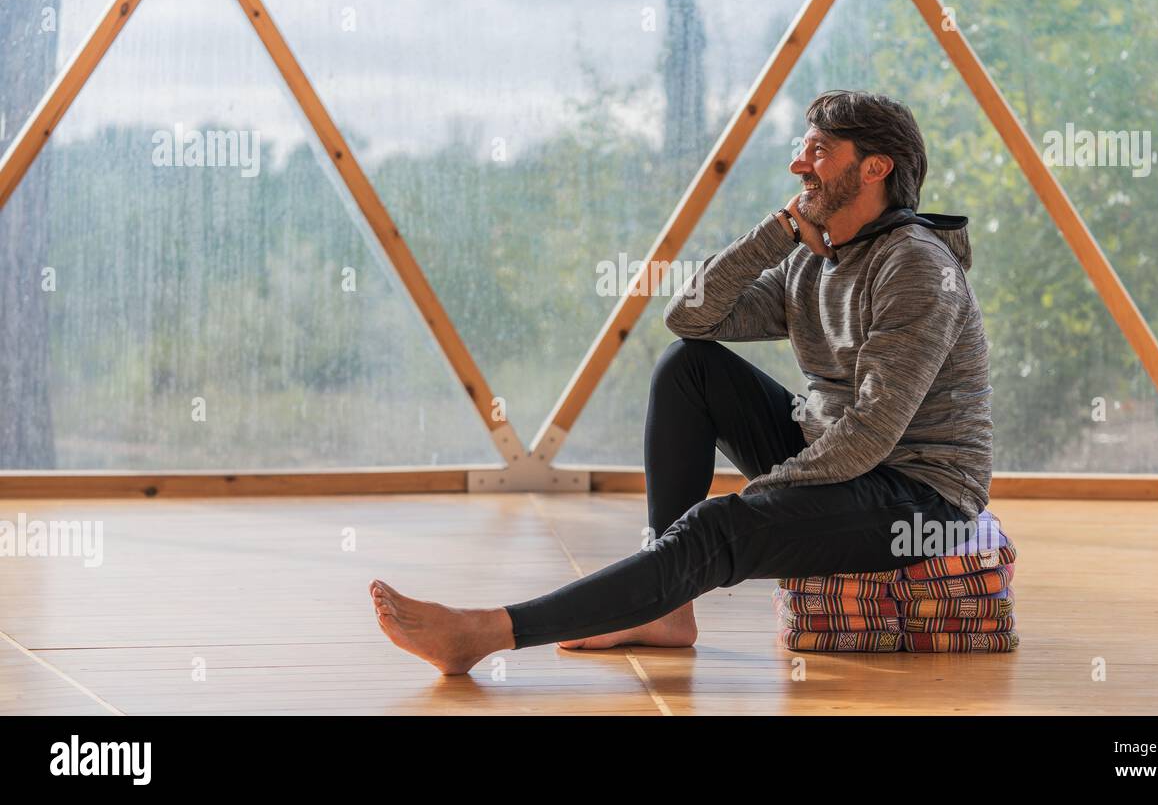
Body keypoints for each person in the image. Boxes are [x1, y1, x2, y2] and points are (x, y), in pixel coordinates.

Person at [369, 89, 994, 674]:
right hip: (844, 455)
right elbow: (691, 316)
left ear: (874, 168)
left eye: (819, 151)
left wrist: (761, 503)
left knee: (714, 528)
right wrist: (774, 235)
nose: (798, 164)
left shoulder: (914, 264)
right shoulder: (814, 259)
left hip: (916, 493)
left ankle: (486, 633)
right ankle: (667, 612)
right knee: (686, 365)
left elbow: (870, 434)